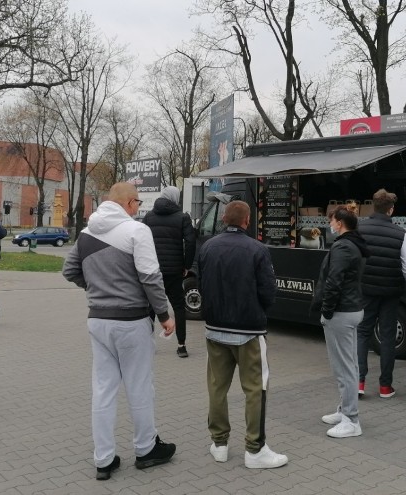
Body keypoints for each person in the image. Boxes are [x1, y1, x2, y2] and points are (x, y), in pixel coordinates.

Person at [62, 182, 177, 481]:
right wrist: (165, 314)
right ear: (128, 202)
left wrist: (96, 288)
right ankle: (146, 449)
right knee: (139, 387)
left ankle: (103, 459)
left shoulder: (86, 234)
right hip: (131, 321)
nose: (139, 207)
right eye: (137, 202)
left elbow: (70, 270)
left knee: (103, 390)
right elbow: (151, 278)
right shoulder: (136, 231)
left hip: (98, 320)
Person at [193, 200, 288, 469]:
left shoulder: (208, 247)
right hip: (249, 330)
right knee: (255, 389)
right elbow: (268, 292)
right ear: (247, 221)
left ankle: (220, 443)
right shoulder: (258, 249)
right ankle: (255, 449)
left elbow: (201, 284)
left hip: (215, 328)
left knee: (216, 388)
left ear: (224, 218)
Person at [313, 205, 369, 438]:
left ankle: (351, 419)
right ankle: (345, 409)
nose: (330, 224)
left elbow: (334, 281)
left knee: (343, 366)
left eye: (331, 220)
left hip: (341, 312)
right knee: (349, 364)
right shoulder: (354, 243)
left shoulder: (343, 246)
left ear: (340, 222)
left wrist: (326, 311)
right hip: (351, 308)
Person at [356, 189, 406, 399]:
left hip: (366, 289)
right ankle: (385, 387)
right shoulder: (400, 234)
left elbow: (354, 258)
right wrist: (396, 279)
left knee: (362, 333)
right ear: (391, 210)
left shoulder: (359, 228)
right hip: (391, 291)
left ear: (374, 206)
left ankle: (359, 383)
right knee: (387, 336)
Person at [143, 185, 196, 358]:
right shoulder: (182, 217)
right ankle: (181, 346)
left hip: (152, 270)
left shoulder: (149, 217)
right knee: (179, 307)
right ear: (175, 198)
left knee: (150, 307)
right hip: (174, 270)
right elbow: (190, 242)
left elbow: (140, 240)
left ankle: (147, 345)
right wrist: (187, 265)